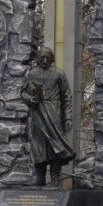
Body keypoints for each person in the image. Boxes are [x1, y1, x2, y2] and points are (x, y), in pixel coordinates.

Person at [23, 46, 74, 186]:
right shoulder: (31, 74)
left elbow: (67, 97)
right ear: (38, 59)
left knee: (55, 146)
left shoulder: (59, 74)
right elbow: (22, 92)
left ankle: (55, 177)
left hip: (55, 114)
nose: (45, 60)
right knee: (38, 146)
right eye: (42, 57)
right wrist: (30, 100)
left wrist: (68, 117)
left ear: (52, 59)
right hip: (38, 114)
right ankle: (40, 176)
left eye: (47, 57)